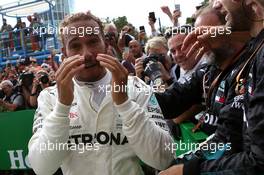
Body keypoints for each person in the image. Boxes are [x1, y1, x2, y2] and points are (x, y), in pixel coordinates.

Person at [28, 11, 174, 175]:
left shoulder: (136, 87)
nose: (87, 54)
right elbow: (41, 168)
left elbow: (164, 158)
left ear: (105, 44)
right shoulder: (50, 97)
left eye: (93, 42)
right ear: (65, 53)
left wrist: (125, 104)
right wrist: (62, 108)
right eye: (75, 46)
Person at [159, 0, 264, 174]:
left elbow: (252, 158)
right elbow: (170, 102)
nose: (216, 4)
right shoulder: (208, 70)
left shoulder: (249, 61)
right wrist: (128, 93)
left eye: (207, 30)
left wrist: (187, 169)